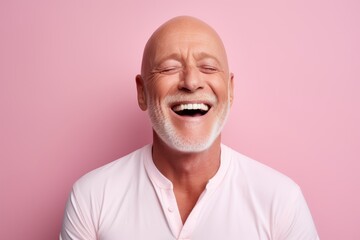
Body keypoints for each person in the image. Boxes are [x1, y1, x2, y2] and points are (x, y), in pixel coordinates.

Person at [60, 16, 319, 240]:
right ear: (142, 92)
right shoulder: (91, 197)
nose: (191, 82)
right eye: (169, 68)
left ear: (230, 90)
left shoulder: (282, 201)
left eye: (207, 67)